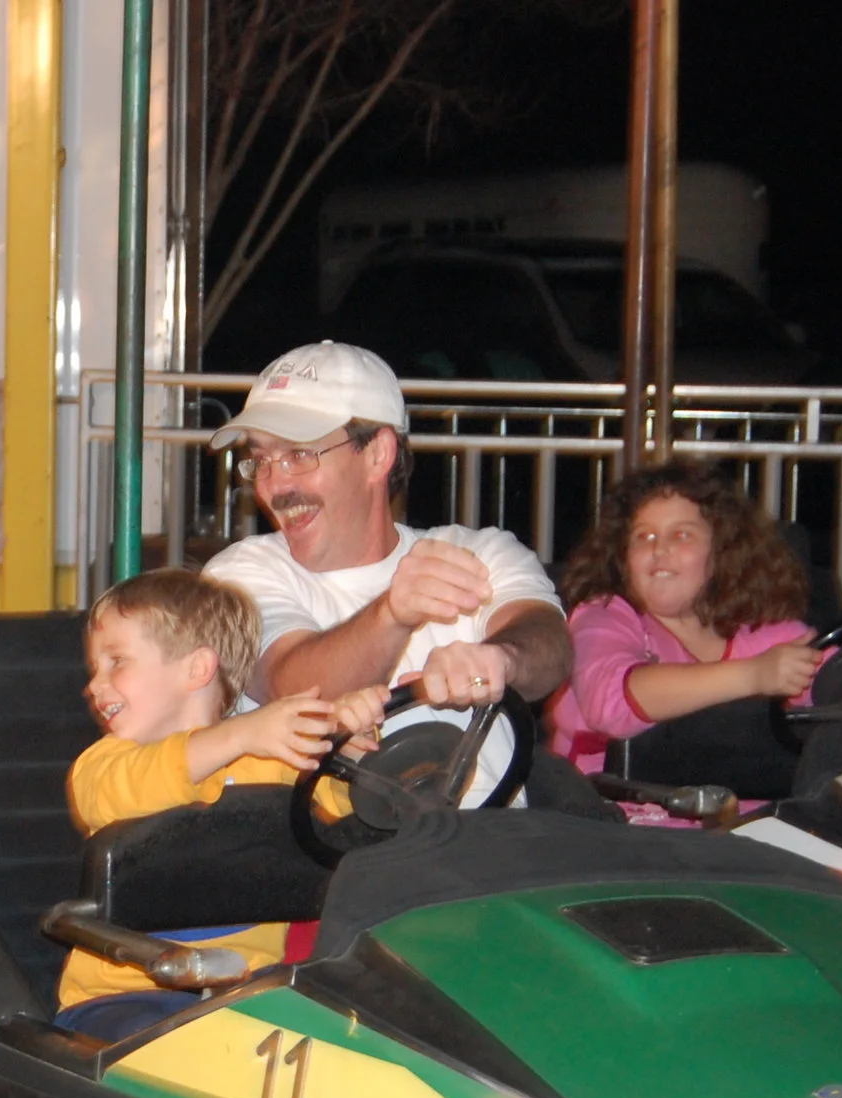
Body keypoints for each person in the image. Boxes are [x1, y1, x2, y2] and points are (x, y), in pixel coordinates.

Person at [58, 568, 388, 1041]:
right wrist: (242, 733)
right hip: (122, 998)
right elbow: (126, 788)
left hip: (250, 991)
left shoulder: (274, 762)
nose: (95, 684)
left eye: (117, 662)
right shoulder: (103, 763)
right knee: (187, 1047)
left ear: (197, 669)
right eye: (95, 668)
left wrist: (351, 746)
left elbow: (346, 821)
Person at [548, 461, 842, 787]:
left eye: (681, 535)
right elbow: (611, 703)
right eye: (644, 536)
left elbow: (839, 684)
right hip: (616, 821)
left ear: (721, 551)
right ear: (623, 555)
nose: (659, 550)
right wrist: (753, 676)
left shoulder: (762, 634)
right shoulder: (603, 616)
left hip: (744, 819)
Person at [204, 341, 572, 713]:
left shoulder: (478, 553)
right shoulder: (236, 577)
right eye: (261, 460)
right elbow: (292, 686)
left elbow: (551, 644)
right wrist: (392, 615)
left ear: (378, 454)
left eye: (299, 454)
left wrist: (501, 659)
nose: (273, 486)